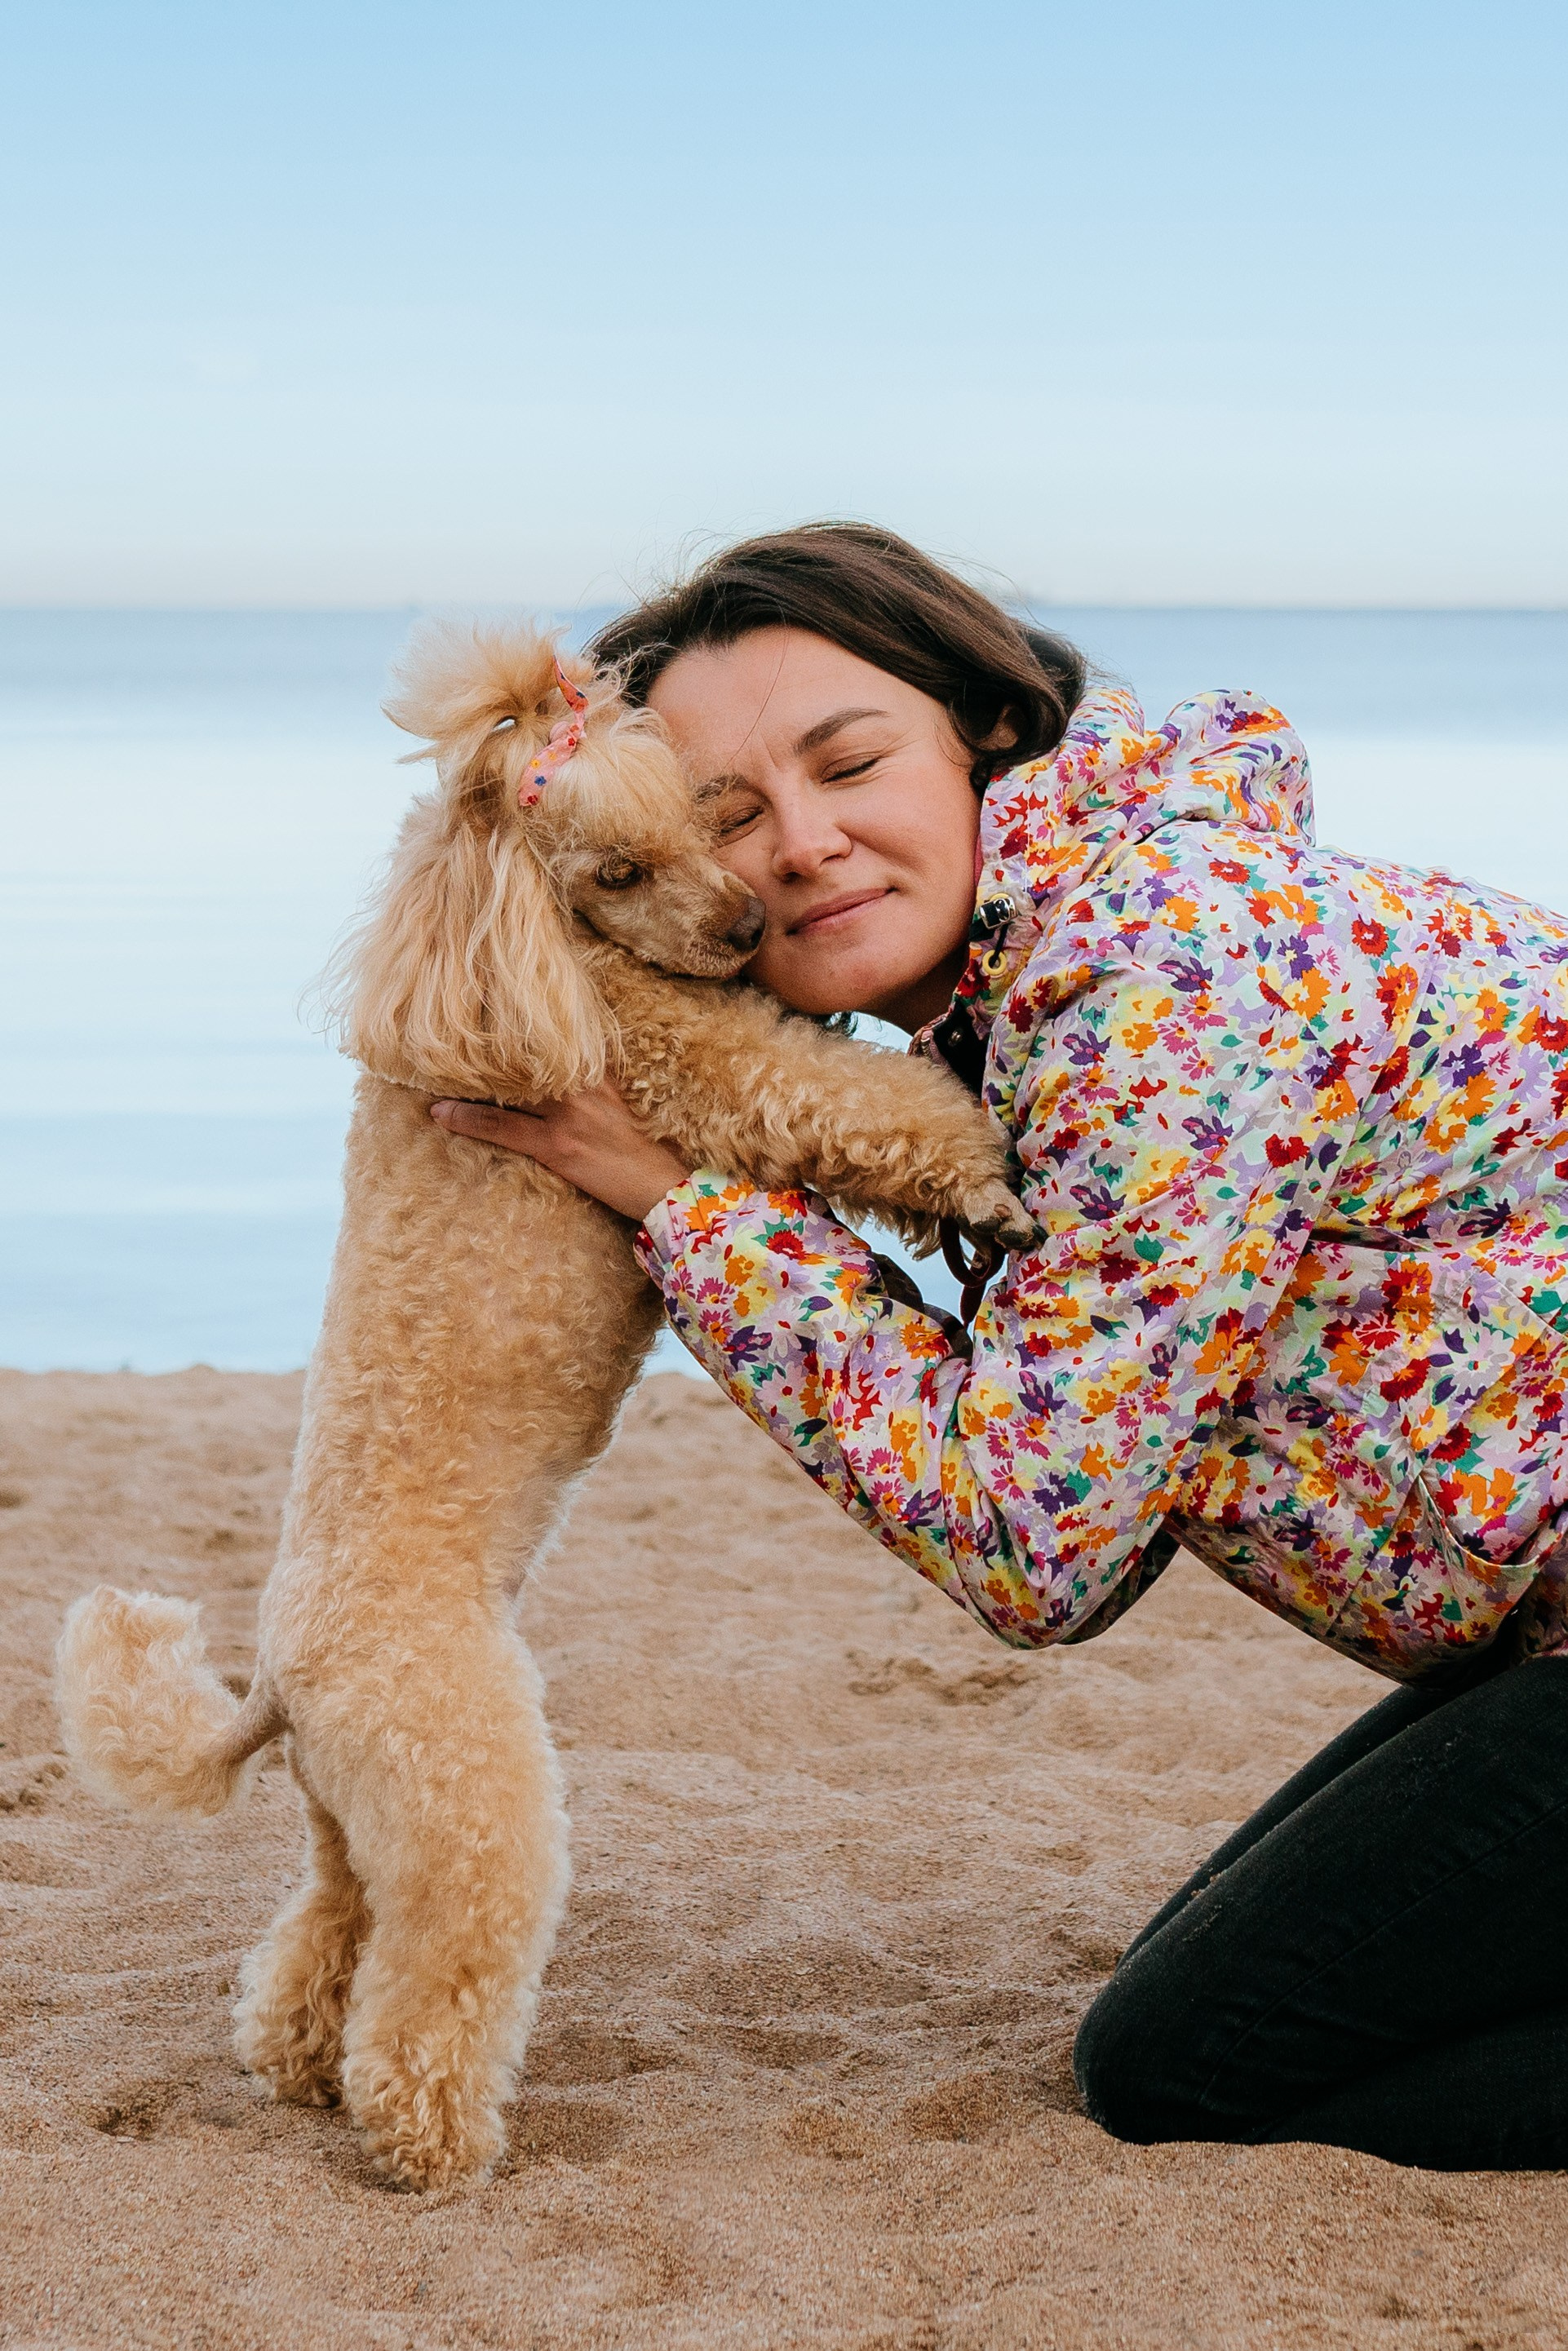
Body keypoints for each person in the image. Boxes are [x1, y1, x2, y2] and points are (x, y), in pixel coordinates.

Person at [431, 523, 1568, 2169]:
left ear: (984, 732)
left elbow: (1040, 1543)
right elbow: (1093, 1492)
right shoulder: (1047, 977)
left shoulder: (1160, 967)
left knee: (1196, 2061)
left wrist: (686, 1205)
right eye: (726, 816)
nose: (802, 843)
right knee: (1218, 1988)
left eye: (849, 764)